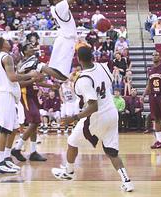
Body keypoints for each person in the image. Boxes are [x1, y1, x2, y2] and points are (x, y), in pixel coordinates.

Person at [51, 46, 134, 192]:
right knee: (111, 151)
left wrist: (74, 118)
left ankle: (69, 172)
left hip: (97, 116)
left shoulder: (83, 80)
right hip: (112, 113)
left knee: (72, 142)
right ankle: (126, 181)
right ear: (92, 56)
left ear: (78, 59)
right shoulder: (103, 67)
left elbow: (93, 106)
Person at [0, 37, 41, 174]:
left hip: (6, 94)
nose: (10, 42)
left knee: (13, 128)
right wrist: (30, 75)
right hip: (5, 95)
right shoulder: (7, 57)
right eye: (7, 41)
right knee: (4, 129)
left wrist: (4, 84)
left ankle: (7, 158)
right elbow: (13, 78)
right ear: (3, 44)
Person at [11, 43, 65, 162]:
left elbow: (36, 82)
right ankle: (17, 148)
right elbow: (20, 83)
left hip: (33, 94)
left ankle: (33, 152)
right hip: (25, 94)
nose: (33, 48)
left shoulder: (32, 62)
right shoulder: (21, 65)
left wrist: (51, 87)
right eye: (30, 47)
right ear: (24, 51)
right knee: (35, 120)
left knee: (35, 123)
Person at [47, 0, 80, 80]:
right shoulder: (59, 7)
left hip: (63, 39)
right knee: (62, 75)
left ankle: (40, 67)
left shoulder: (56, 8)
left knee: (58, 72)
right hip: (66, 40)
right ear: (55, 0)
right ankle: (39, 67)